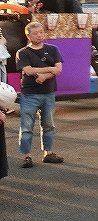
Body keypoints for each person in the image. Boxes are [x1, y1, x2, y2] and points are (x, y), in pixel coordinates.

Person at [15, 21, 64, 168]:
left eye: (41, 32)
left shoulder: (53, 49)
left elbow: (58, 69)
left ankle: (48, 153)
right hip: (29, 94)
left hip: (48, 93)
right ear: (28, 36)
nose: (39, 35)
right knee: (26, 126)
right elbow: (28, 71)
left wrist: (43, 76)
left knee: (49, 125)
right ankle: (27, 156)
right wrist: (49, 69)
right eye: (35, 33)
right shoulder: (23, 52)